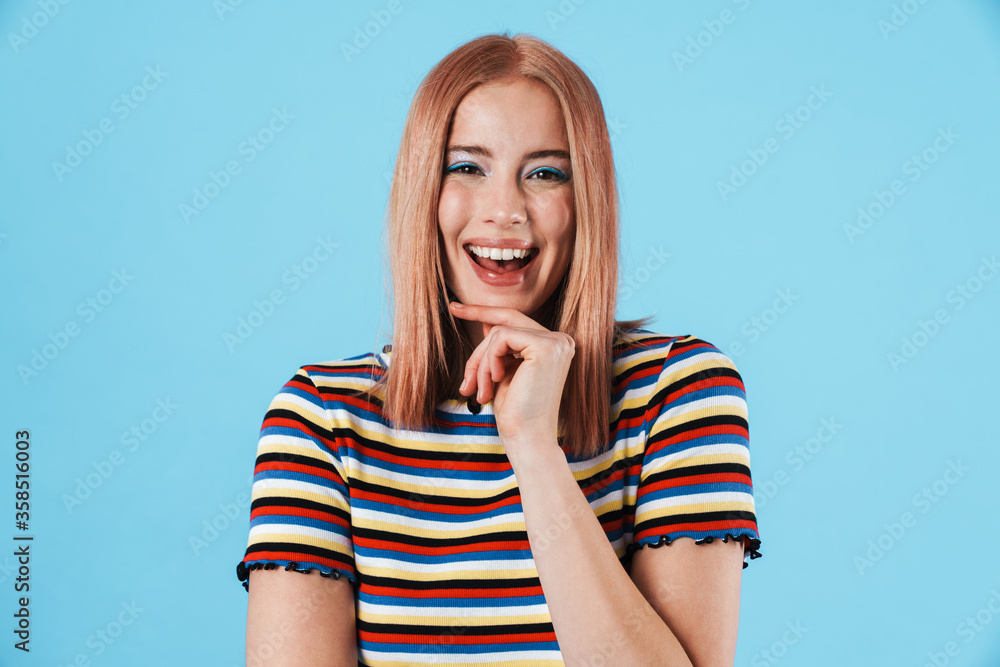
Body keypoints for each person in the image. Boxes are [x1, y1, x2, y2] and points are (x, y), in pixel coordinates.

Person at [237, 31, 761, 666]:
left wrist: (534, 449)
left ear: (585, 200)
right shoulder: (320, 418)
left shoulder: (679, 393)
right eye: (467, 167)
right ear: (422, 194)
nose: (505, 210)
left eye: (545, 173)